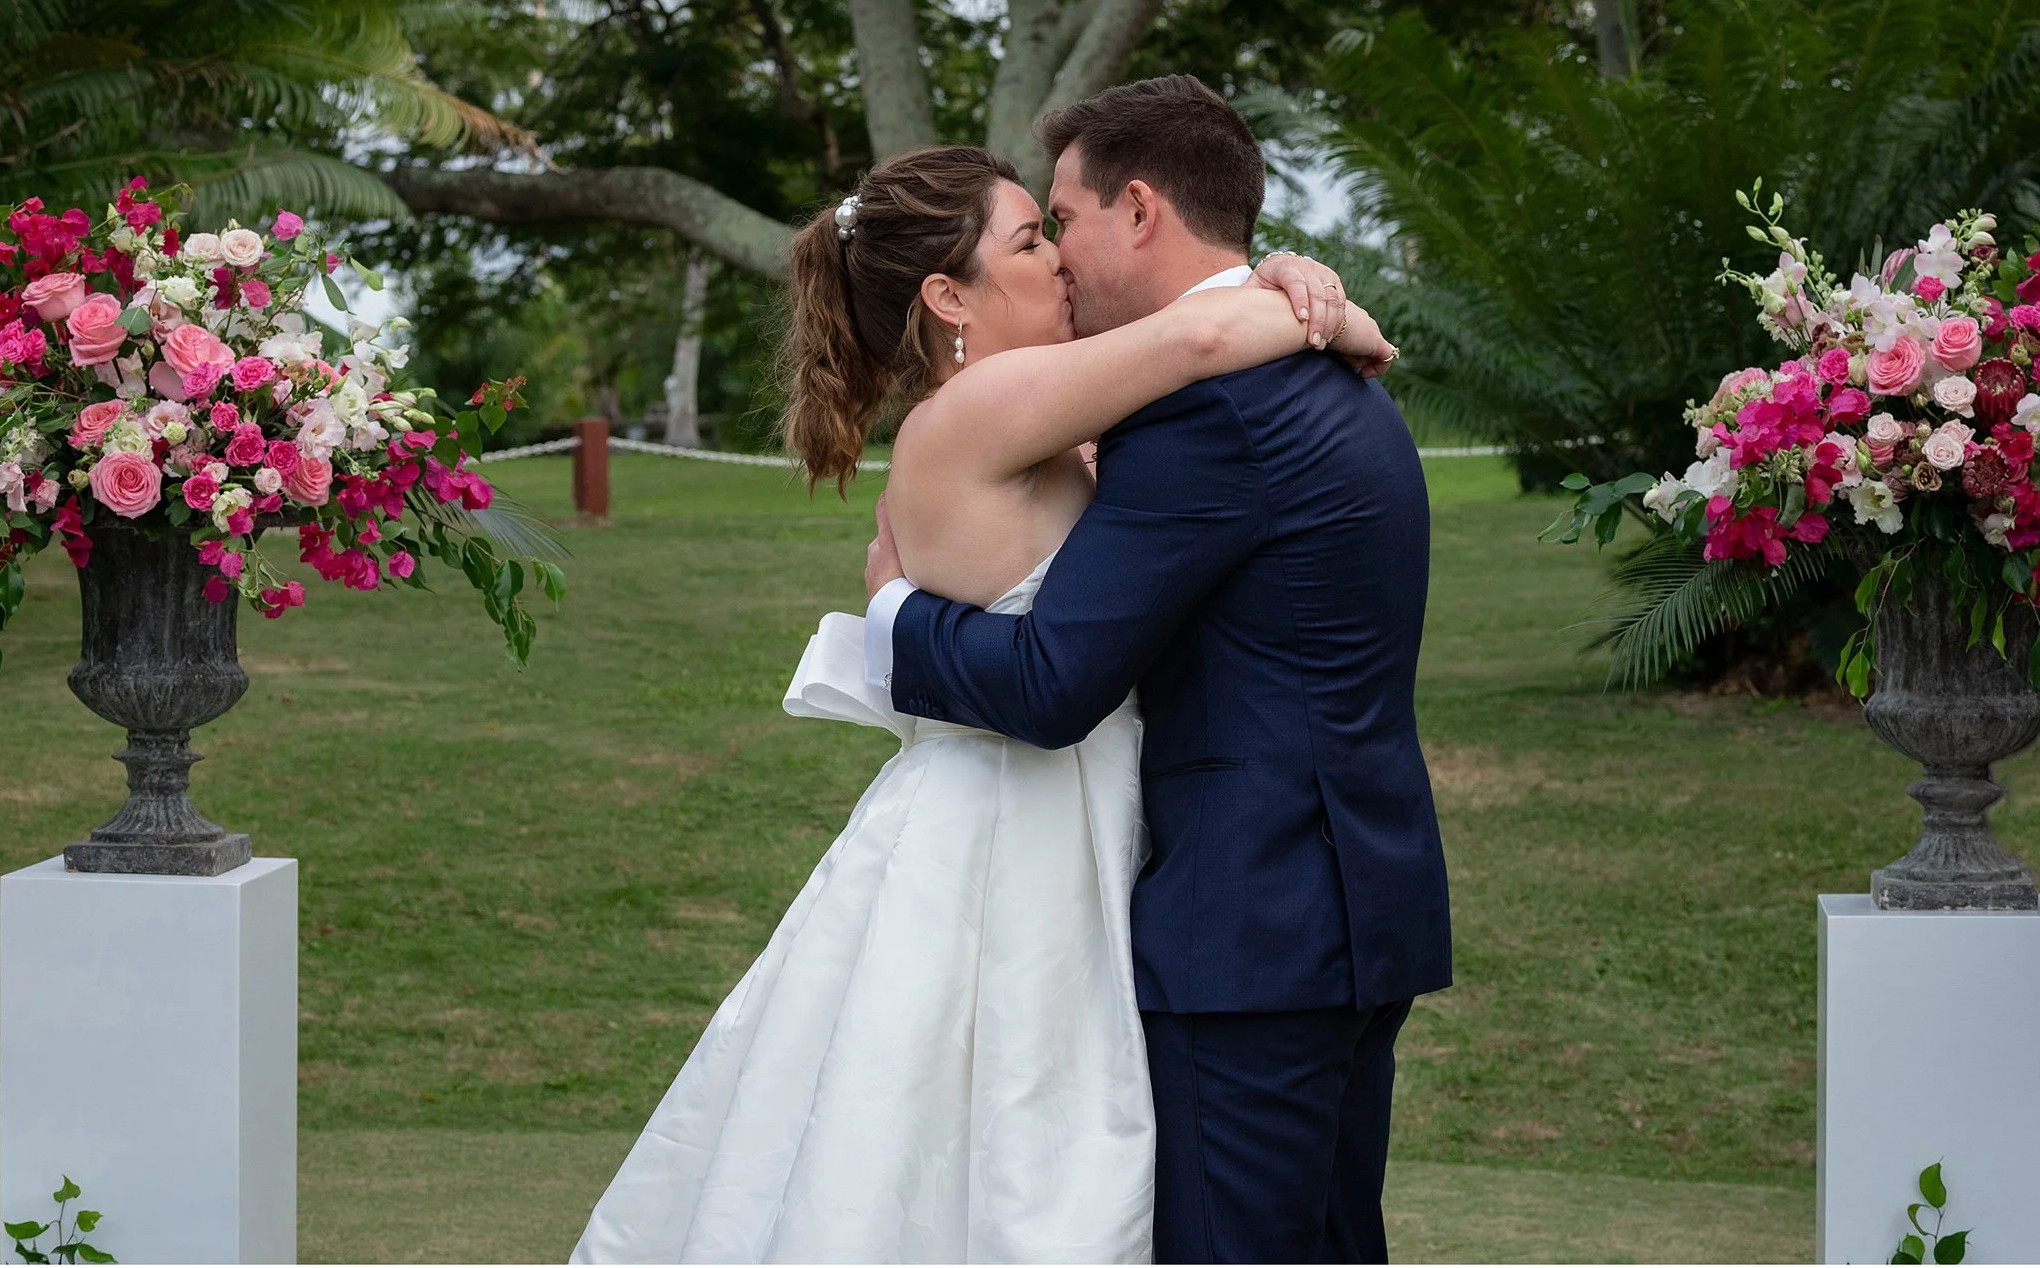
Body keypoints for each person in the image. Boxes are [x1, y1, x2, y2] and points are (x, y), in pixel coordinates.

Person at [571, 132, 1394, 1264]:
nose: (1059, 261)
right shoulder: (984, 403)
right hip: (1016, 826)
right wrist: (1327, 308)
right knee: (1008, 1151)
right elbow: (1203, 331)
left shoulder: (1029, 414)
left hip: (1047, 809)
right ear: (947, 295)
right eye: (1028, 238)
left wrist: (1286, 268)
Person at [866, 75, 1452, 1263]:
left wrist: (891, 618)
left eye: (1062, 220)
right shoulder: (1316, 363)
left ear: (1137, 210)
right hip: (1340, 901)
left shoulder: (1214, 410)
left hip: (1249, 931)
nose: (1060, 253)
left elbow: (1046, 684)